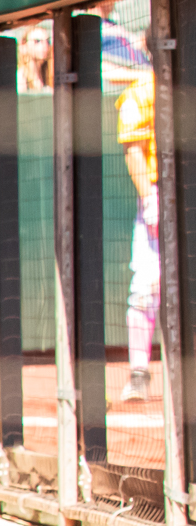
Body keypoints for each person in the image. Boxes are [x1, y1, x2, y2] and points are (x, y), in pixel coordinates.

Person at [118, 68, 159, 403]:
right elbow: (133, 149)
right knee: (147, 285)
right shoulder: (143, 90)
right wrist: (150, 198)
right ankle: (139, 373)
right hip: (160, 190)